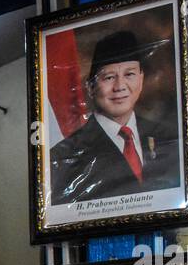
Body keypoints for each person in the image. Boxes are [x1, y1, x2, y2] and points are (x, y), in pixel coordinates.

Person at [49, 30, 180, 204]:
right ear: (90, 87)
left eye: (129, 74)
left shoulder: (168, 137)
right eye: (109, 77)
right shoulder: (63, 156)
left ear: (141, 79)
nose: (120, 86)